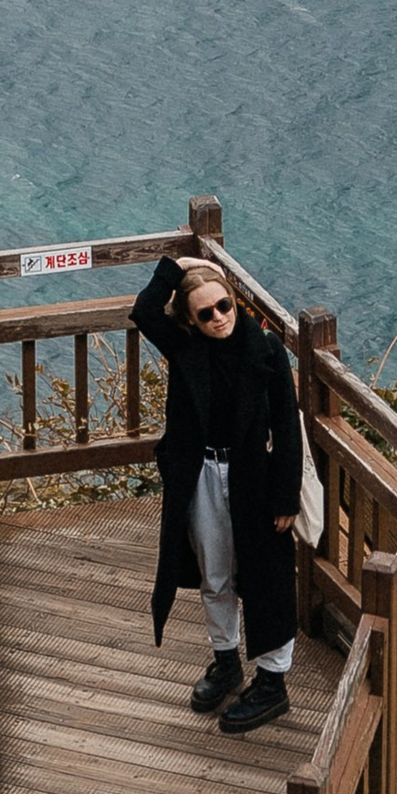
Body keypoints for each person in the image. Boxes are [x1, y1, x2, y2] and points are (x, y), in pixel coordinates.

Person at [131, 251, 303, 733]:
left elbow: (288, 426)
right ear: (189, 318)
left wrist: (286, 497)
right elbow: (144, 311)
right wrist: (176, 265)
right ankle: (226, 661)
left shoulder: (265, 348)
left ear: (234, 302)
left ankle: (272, 683)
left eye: (224, 306)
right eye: (205, 313)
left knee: (268, 578)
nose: (219, 319)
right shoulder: (185, 346)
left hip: (255, 479)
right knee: (215, 571)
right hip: (202, 475)